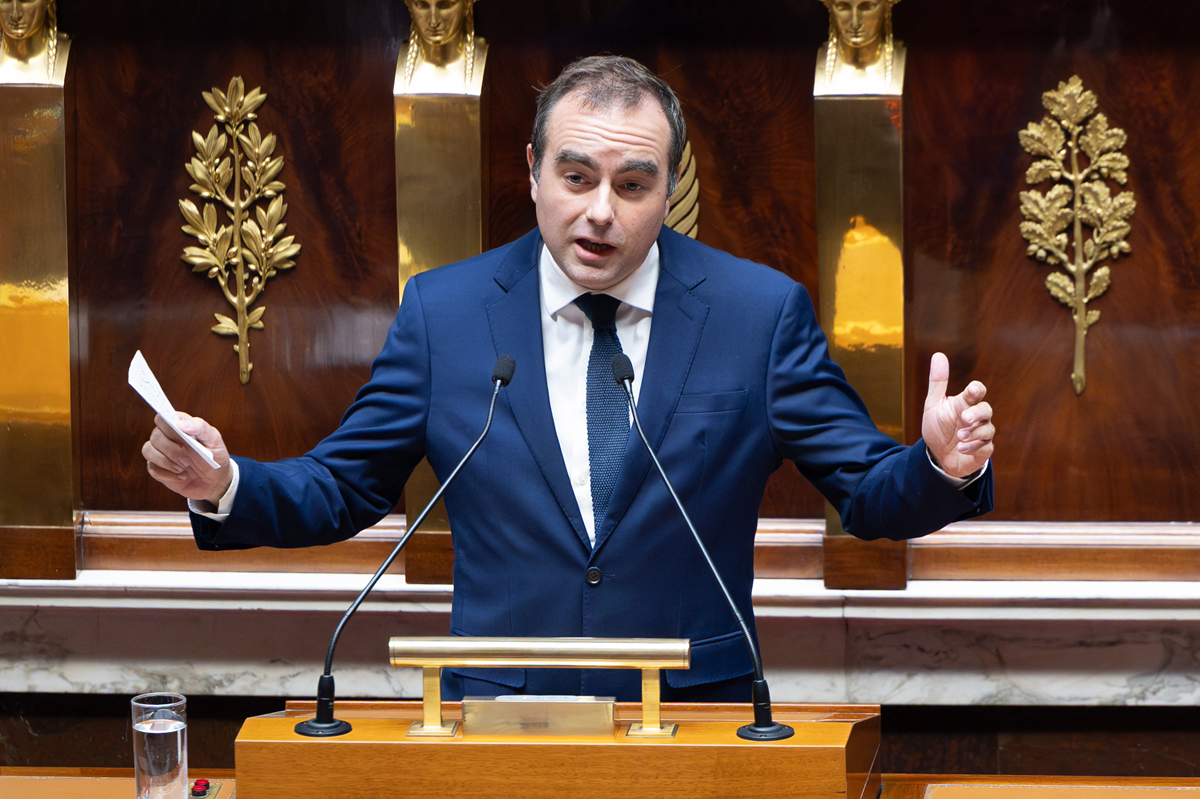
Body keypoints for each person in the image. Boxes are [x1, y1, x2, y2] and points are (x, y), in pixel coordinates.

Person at [143, 55, 993, 703]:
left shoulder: (758, 314)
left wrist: (939, 465)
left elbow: (869, 492)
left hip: (696, 716)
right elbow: (340, 485)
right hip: (499, 718)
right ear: (533, 170)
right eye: (577, 176)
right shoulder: (446, 313)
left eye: (632, 185)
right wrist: (225, 482)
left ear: (669, 190)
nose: (600, 212)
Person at [398, 0, 486, 95]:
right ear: (409, 6)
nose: (433, 22)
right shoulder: (401, 68)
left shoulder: (486, 58)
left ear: (467, 4)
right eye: (422, 5)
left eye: (445, 5)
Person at [0, 0, 63, 85]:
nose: (15, 15)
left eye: (26, 1)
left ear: (49, 2)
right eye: (5, 1)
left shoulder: (76, 59)